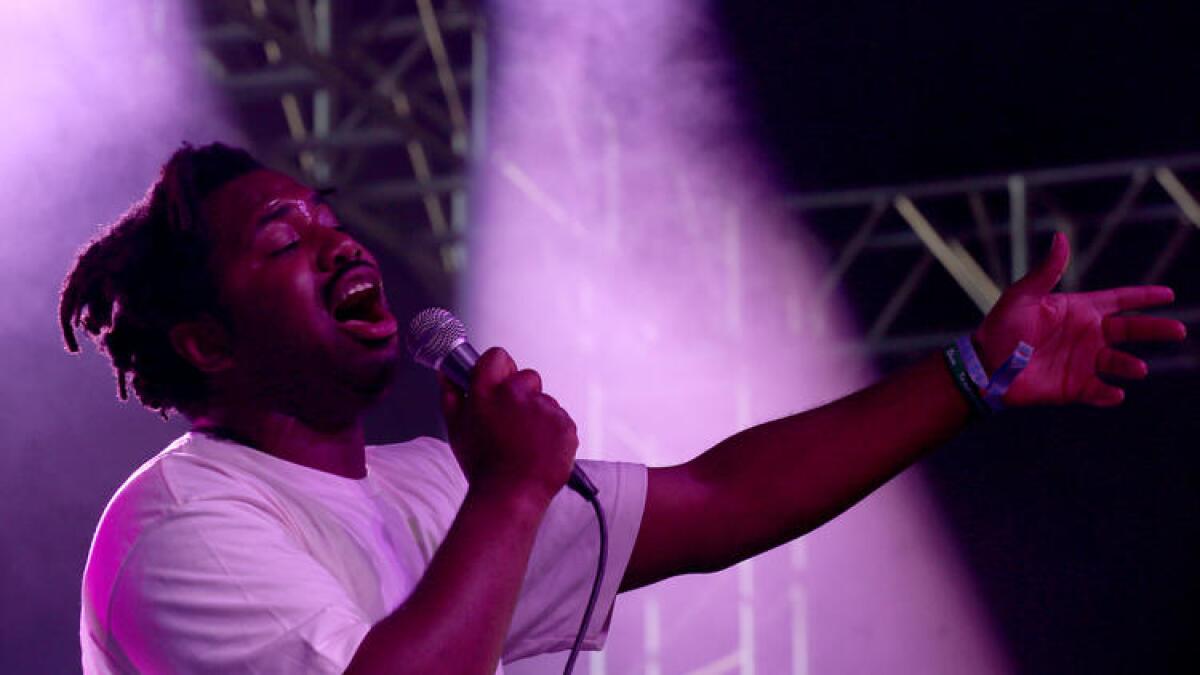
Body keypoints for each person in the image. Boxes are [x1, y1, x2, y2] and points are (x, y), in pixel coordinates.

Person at [62, 143, 1186, 674]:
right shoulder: (181, 529)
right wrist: (511, 488)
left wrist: (973, 374)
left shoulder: (430, 482)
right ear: (205, 341)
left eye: (325, 215)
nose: (335, 238)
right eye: (281, 239)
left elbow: (726, 496)